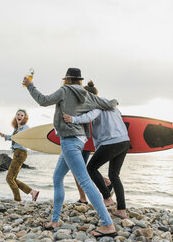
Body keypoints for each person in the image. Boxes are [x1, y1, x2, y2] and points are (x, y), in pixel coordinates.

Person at [22, 68, 117, 237]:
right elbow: (108, 104)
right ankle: (55, 220)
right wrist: (115, 101)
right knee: (57, 177)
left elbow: (43, 101)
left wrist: (30, 85)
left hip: (69, 141)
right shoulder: (88, 95)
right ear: (79, 81)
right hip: (80, 140)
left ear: (66, 79)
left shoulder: (64, 91)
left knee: (85, 181)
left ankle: (107, 224)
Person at [63, 80, 130, 219]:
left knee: (91, 168)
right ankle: (122, 210)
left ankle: (107, 197)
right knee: (114, 175)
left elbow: (89, 117)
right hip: (124, 141)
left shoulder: (96, 105)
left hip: (110, 142)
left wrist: (73, 119)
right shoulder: (111, 106)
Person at [0, 109, 40, 202]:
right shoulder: (16, 128)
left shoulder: (25, 127)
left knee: (9, 178)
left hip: (20, 153)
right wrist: (2, 134)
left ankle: (17, 200)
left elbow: (23, 137)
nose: (19, 116)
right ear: (15, 116)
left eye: (22, 115)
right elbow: (12, 138)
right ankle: (33, 192)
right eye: (18, 114)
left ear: (24, 117)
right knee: (13, 178)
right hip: (17, 152)